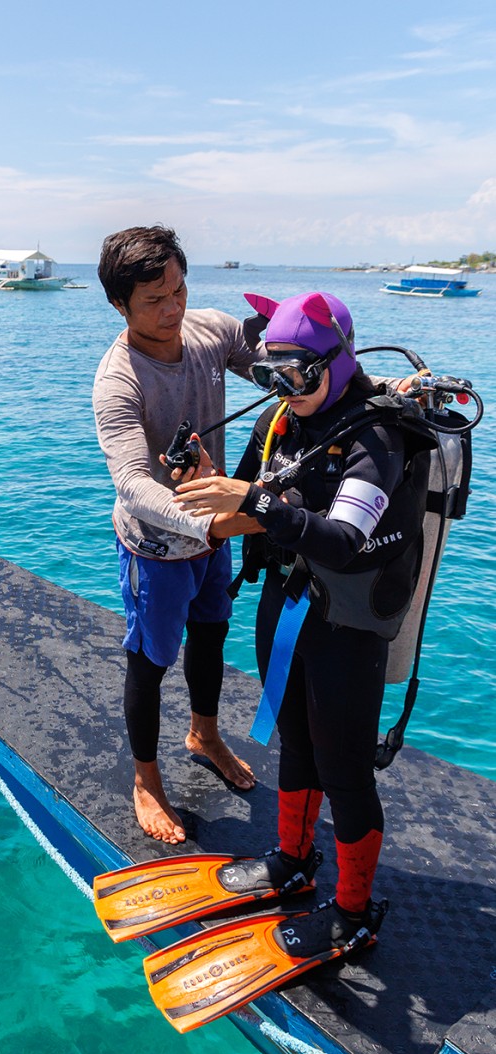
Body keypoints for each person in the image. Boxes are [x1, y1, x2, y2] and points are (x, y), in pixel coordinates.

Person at [172, 289, 432, 945]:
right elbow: (234, 515)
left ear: (337, 362)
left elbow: (344, 541)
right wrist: (203, 490)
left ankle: (353, 912)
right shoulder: (279, 423)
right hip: (284, 603)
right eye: (272, 373)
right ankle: (294, 863)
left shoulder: (377, 435)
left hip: (347, 626)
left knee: (343, 767)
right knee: (294, 741)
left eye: (300, 372)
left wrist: (255, 501)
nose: (286, 387)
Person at [92, 225, 261, 845]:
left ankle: (205, 733)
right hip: (157, 547)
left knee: (212, 637)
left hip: (212, 537)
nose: (173, 310)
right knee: (151, 660)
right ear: (120, 305)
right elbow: (133, 483)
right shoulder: (119, 381)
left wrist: (368, 386)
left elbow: (285, 363)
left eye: (179, 290)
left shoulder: (210, 331)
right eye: (153, 302)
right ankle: (145, 779)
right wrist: (207, 521)